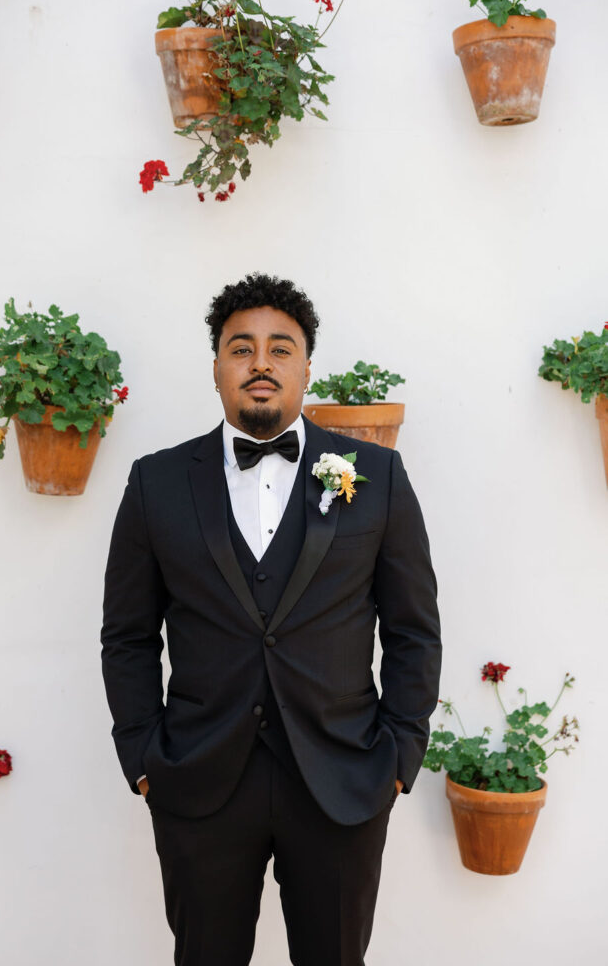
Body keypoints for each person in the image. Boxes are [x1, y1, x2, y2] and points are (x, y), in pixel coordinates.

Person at [100, 272, 442, 966]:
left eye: (279, 348)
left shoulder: (376, 480)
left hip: (342, 780)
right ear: (217, 367)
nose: (260, 362)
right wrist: (142, 756)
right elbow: (128, 635)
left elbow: (413, 630)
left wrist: (399, 755)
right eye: (240, 348)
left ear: (306, 367)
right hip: (199, 779)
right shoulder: (155, 483)